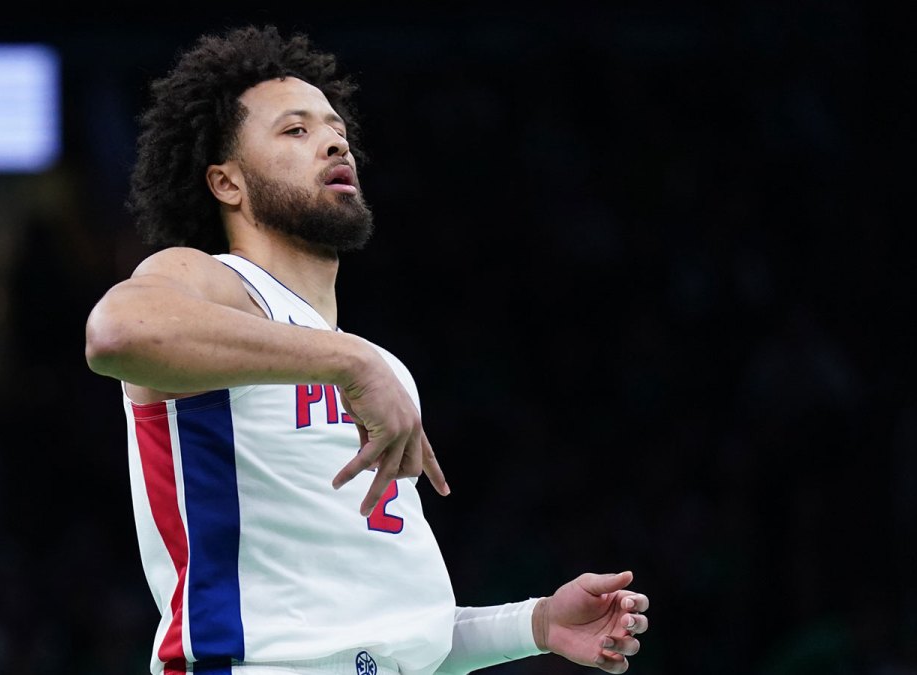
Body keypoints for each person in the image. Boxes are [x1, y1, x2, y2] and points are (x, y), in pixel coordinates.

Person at [84, 24, 650, 675]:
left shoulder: (380, 369)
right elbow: (118, 331)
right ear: (227, 183)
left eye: (335, 128)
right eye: (295, 130)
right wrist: (348, 361)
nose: (332, 140)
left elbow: (392, 637)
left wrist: (535, 622)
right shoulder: (220, 286)